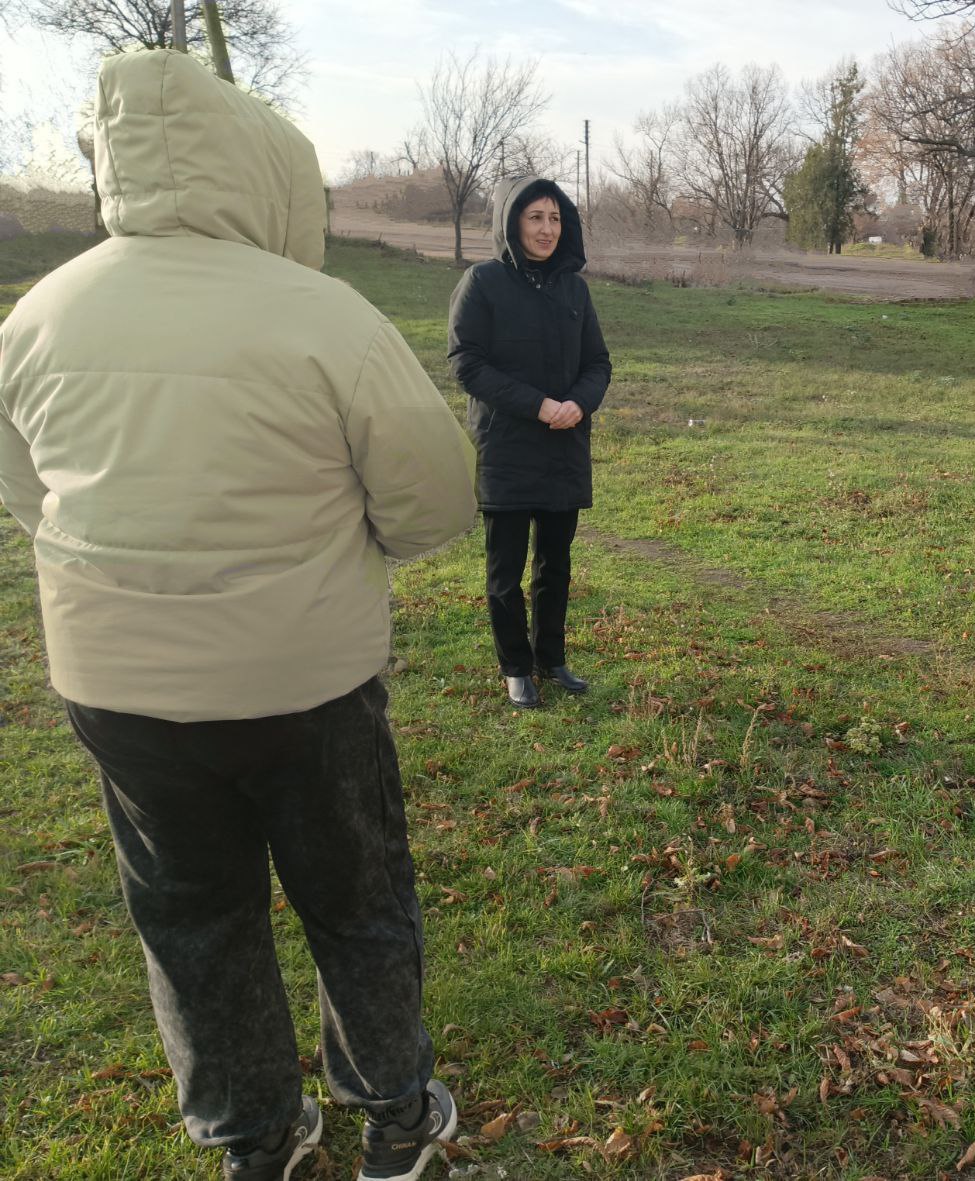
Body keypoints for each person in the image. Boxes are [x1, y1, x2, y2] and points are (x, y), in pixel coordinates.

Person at [0, 49, 476, 1181]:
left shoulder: (36, 318)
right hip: (302, 681)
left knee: (190, 917)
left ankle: (253, 1137)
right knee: (355, 899)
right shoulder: (324, 314)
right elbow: (435, 495)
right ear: (262, 168)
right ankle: (394, 1115)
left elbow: (26, 491)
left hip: (120, 688)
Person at [447, 176, 611, 710]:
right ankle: (516, 668)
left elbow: (598, 363)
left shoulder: (574, 290)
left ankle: (551, 657)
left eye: (555, 218)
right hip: (507, 449)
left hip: (564, 447)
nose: (547, 229)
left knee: (555, 566)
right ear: (510, 221)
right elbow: (467, 363)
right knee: (506, 572)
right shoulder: (482, 282)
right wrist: (538, 405)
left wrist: (579, 403)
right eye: (535, 217)